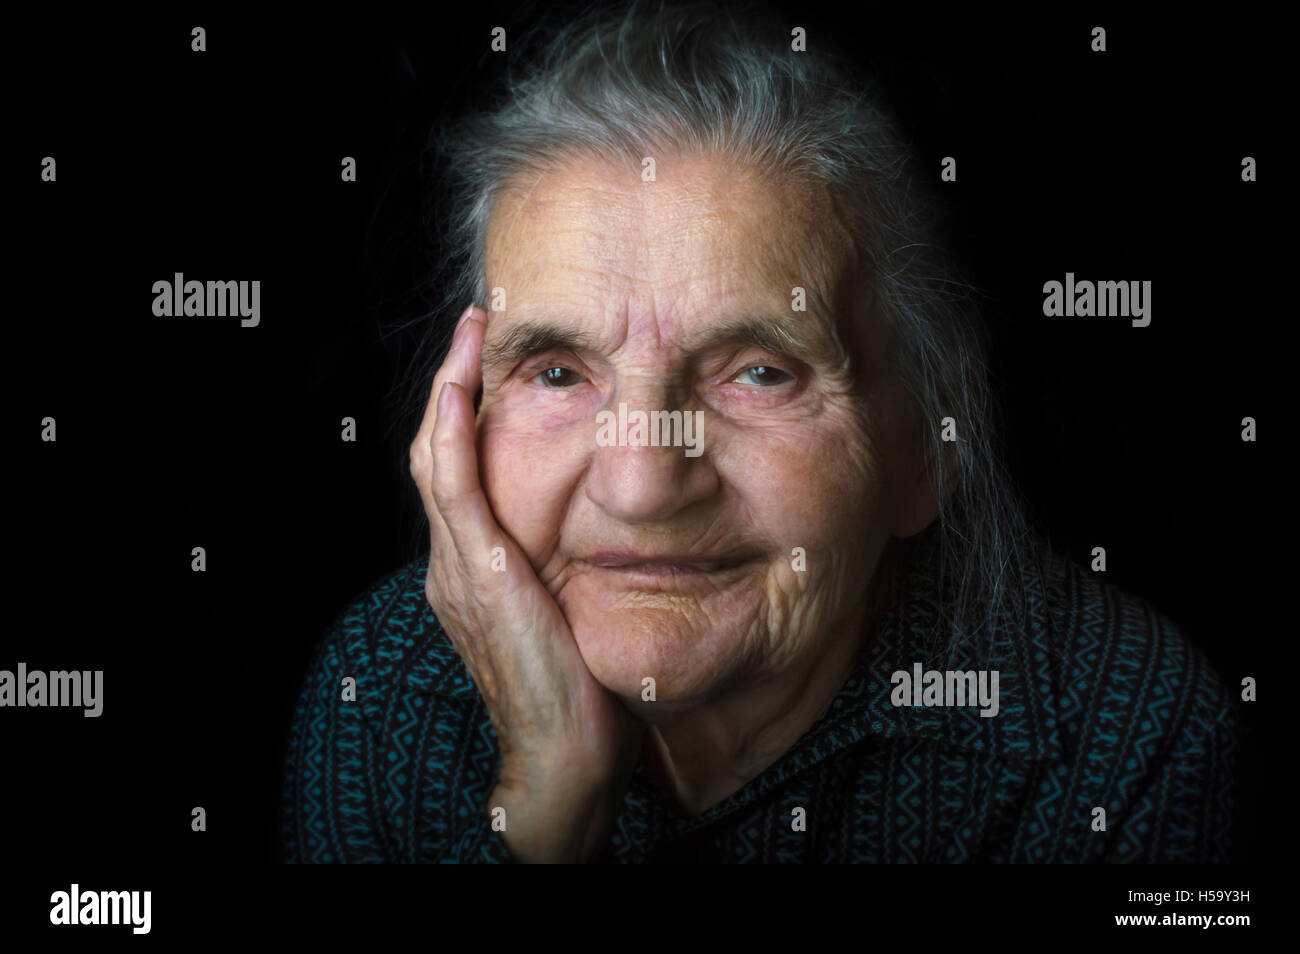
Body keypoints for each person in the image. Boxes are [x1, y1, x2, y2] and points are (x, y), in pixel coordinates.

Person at [281, 1, 1241, 863]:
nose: (642, 485)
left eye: (759, 373)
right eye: (559, 372)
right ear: (458, 426)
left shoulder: (1123, 737)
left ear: (928, 449)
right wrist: (545, 806)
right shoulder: (382, 694)